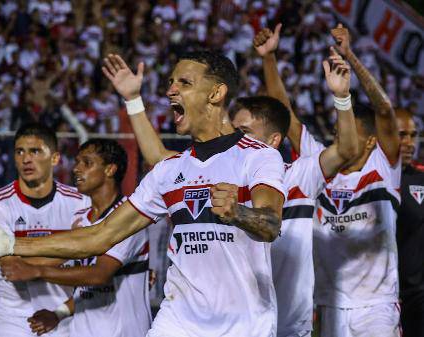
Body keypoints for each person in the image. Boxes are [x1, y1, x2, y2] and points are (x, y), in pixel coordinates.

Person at [0, 51, 286, 337]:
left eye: (184, 83)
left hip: (244, 321)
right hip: (178, 320)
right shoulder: (169, 171)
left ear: (216, 94)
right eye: (170, 82)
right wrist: (11, 243)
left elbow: (271, 224)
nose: (170, 91)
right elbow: (99, 236)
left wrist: (239, 213)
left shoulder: (258, 157)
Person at [109, 31, 358, 337]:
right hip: (233, 311)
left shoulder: (299, 174)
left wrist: (341, 97)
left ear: (273, 139)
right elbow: (160, 160)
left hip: (286, 318)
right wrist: (134, 101)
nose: (232, 134)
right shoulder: (223, 166)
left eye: (244, 129)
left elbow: (342, 148)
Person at [268, 23, 401, 337]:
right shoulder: (320, 161)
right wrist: (269, 58)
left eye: (351, 131)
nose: (340, 134)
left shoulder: (384, 167)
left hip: (377, 306)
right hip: (329, 305)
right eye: (340, 129)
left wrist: (349, 57)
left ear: (370, 142)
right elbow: (284, 115)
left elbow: (384, 109)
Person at [0, 139, 152, 337]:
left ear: (110, 170)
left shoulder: (129, 217)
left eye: (86, 163)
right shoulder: (81, 217)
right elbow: (82, 284)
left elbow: (98, 275)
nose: (76, 169)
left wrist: (36, 270)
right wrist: (58, 314)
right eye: (77, 162)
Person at [0, 123, 89, 337]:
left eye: (35, 151)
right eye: (20, 151)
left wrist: (82, 246)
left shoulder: (80, 201)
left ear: (55, 158)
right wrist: (76, 244)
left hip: (61, 315)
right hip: (12, 318)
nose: (26, 159)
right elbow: (12, 268)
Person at [395, 108, 424, 337]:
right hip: (377, 297)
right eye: (402, 134)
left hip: (418, 297)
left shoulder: (420, 178)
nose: (410, 143)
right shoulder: (366, 180)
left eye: (413, 135)